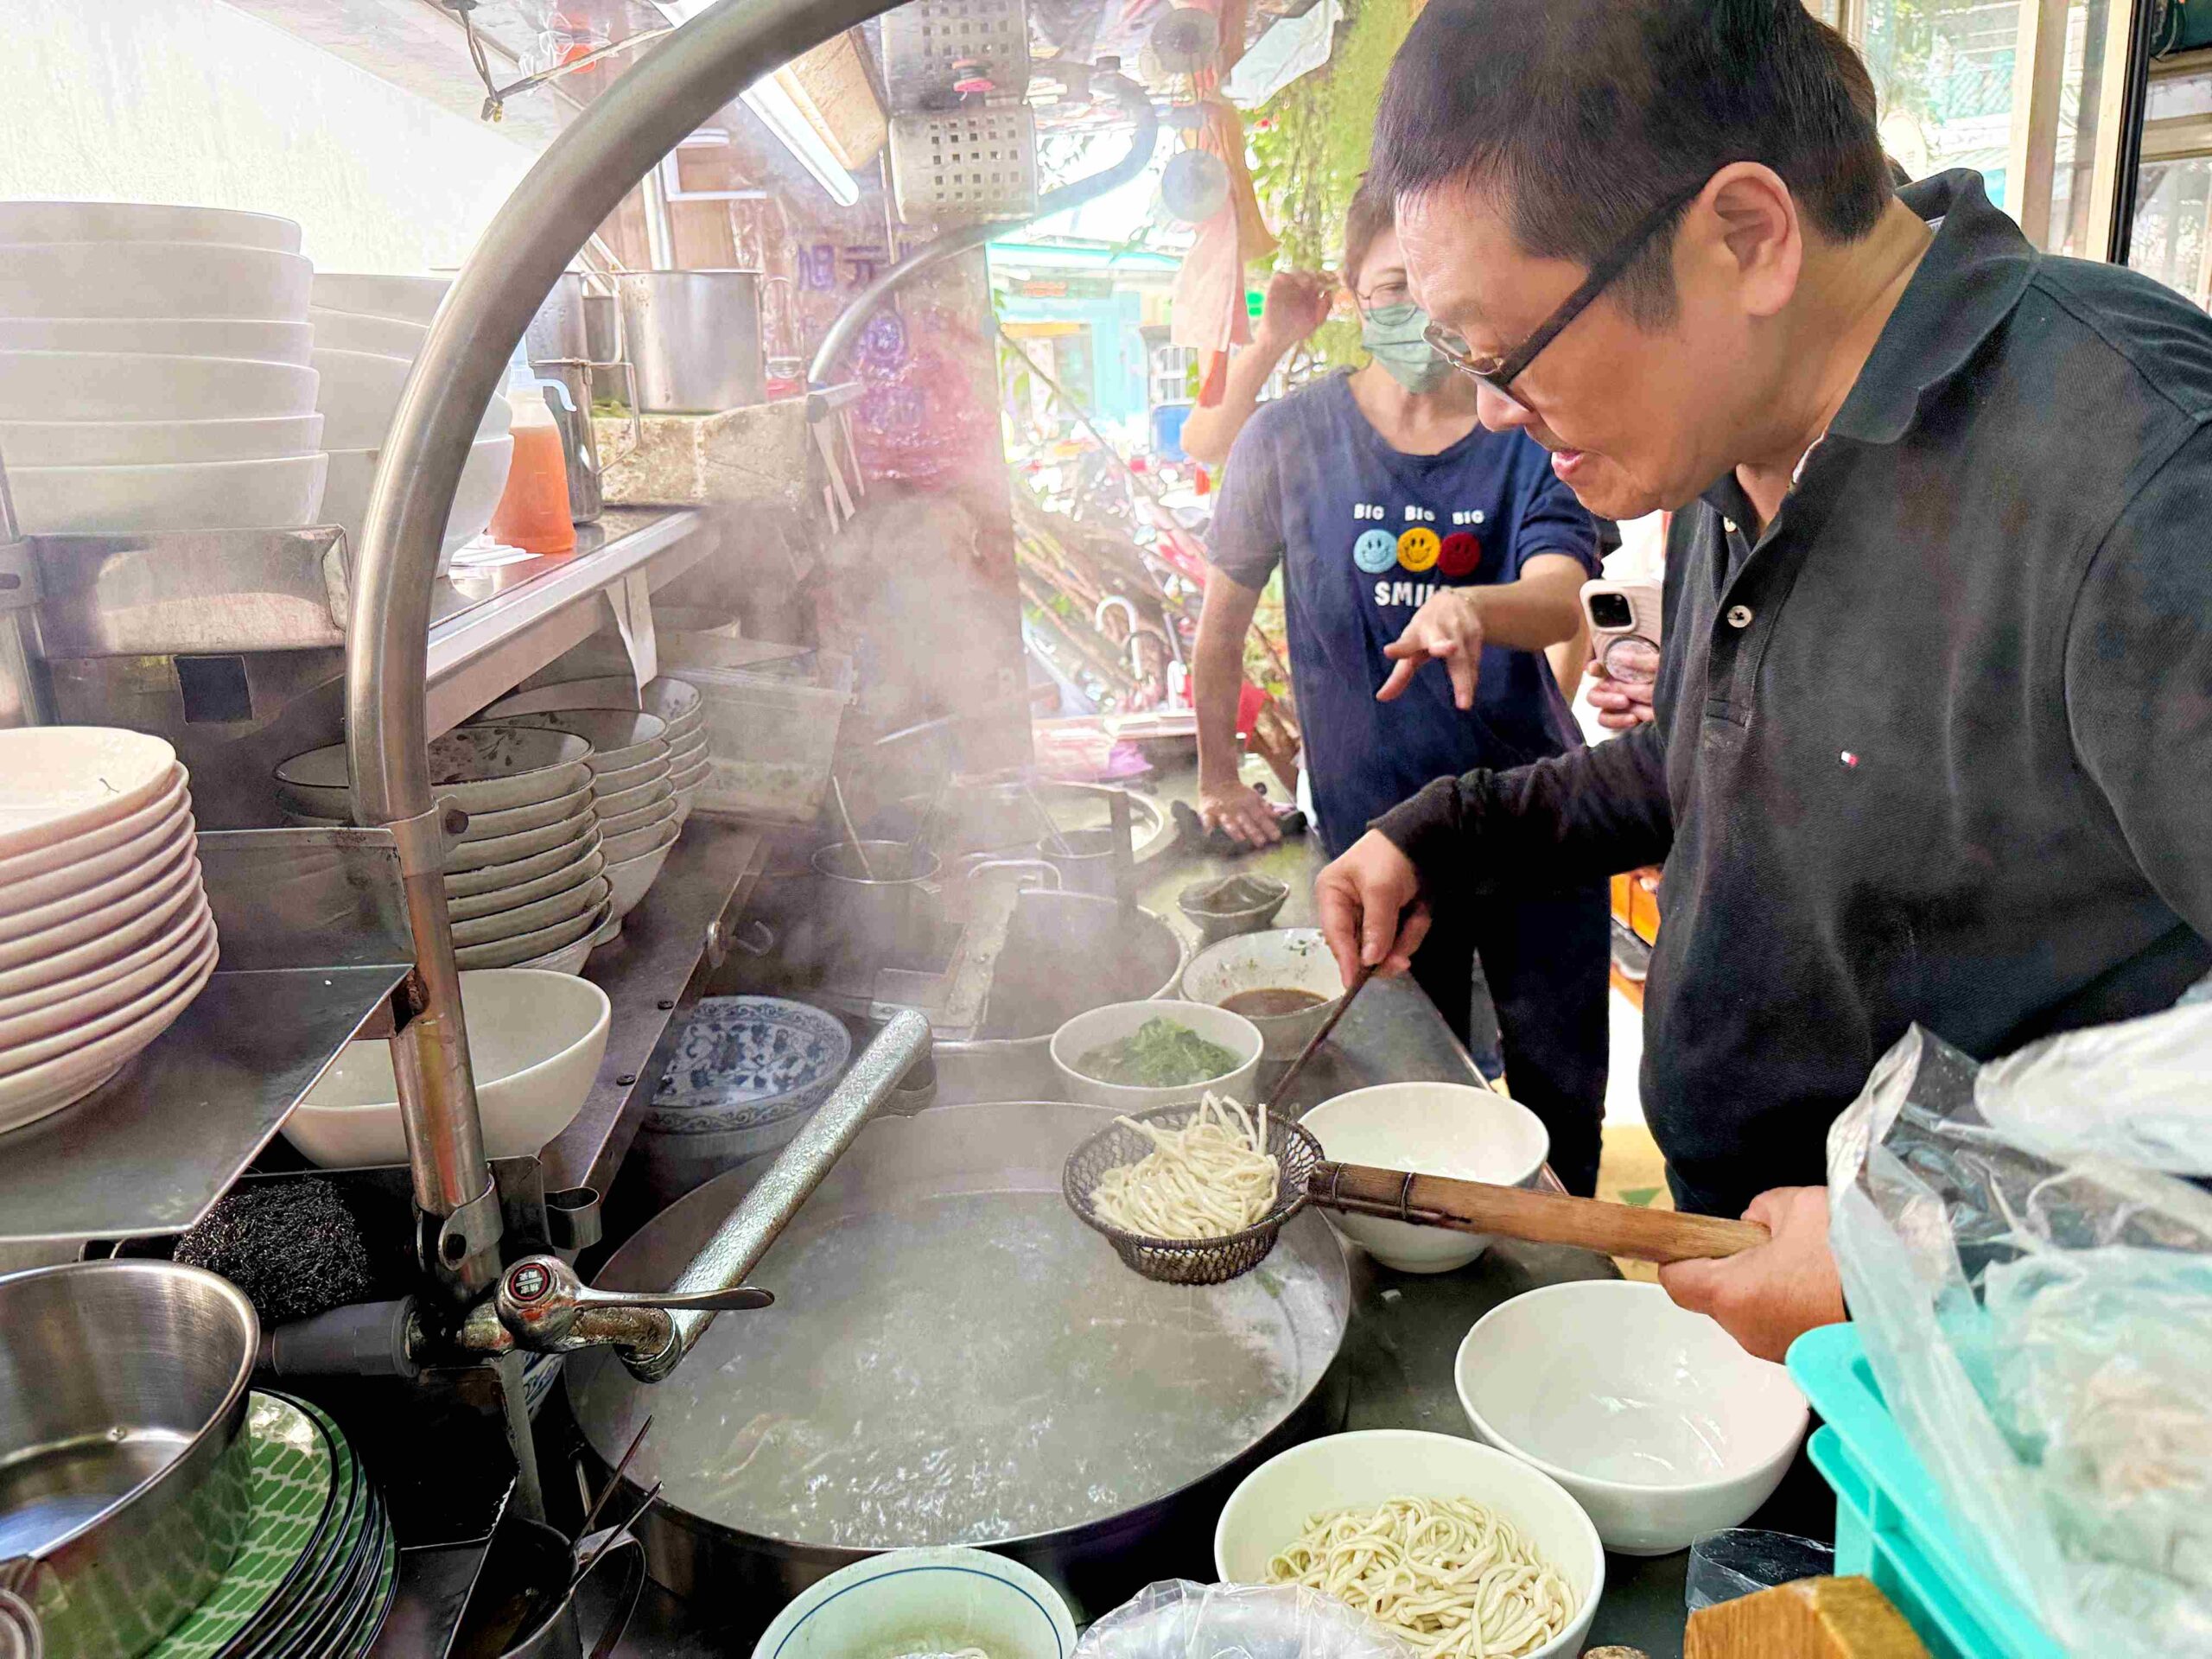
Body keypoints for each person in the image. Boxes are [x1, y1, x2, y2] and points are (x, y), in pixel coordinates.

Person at [1316, 0, 2212, 1361]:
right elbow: (1705, 766)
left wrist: (1930, 1240)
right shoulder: (1735, 435)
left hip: (1999, 1370)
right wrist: (1444, 830)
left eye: (1505, 355)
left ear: (1744, 236)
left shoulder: (2139, 478)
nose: (1493, 410)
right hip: (1755, 1281)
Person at [1193, 183, 1612, 1197]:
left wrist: (1474, 608)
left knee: (1559, 1096)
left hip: (1533, 822)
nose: (1418, 315)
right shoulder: (1287, 438)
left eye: (1438, 289)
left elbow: (1559, 598)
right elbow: (1221, 625)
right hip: (1379, 837)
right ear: (1350, 293)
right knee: (1407, 1082)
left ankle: (1565, 1267)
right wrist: (1216, 776)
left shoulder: (1522, 425)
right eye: (1392, 287)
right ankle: (1428, 1260)